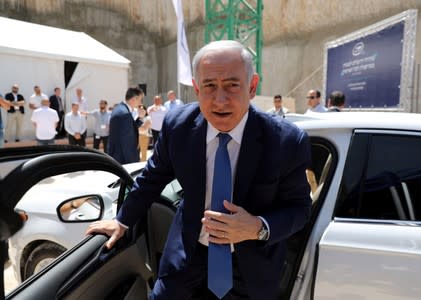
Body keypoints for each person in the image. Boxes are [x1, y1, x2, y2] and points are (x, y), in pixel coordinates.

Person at [87, 40, 312, 300]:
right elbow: (152, 177)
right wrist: (122, 221)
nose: (220, 100)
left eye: (231, 85)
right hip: (186, 260)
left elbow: (299, 209)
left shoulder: (285, 141)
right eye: (209, 86)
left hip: (250, 271)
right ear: (196, 88)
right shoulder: (178, 126)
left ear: (252, 86)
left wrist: (256, 227)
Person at [107, 86, 146, 164]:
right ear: (135, 98)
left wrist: (140, 118)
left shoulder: (120, 109)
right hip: (123, 160)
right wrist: (133, 162)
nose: (141, 103)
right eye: (140, 99)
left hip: (117, 156)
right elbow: (128, 144)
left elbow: (130, 128)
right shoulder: (125, 114)